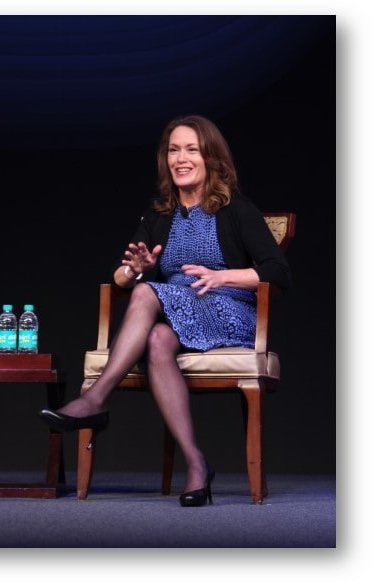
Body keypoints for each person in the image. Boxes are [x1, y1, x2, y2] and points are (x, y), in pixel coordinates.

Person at [39, 114, 292, 507]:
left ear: (210, 157)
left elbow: (278, 270)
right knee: (156, 337)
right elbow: (120, 275)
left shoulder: (235, 209)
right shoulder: (159, 214)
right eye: (174, 150)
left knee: (145, 295)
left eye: (191, 149)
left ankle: (95, 400)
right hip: (176, 312)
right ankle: (197, 464)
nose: (181, 158)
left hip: (227, 310)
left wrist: (222, 277)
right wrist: (134, 269)